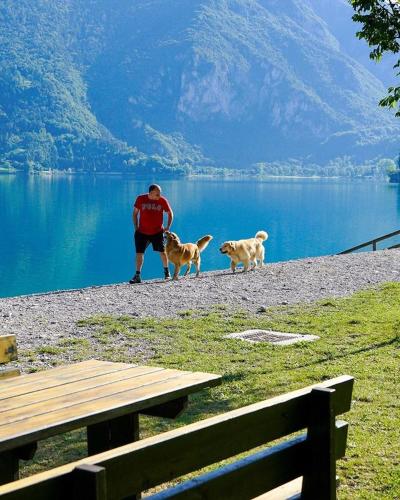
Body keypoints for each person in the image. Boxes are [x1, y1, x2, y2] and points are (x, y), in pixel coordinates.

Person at [129, 184, 173, 284]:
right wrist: (136, 228)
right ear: (151, 193)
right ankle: (137, 276)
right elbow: (135, 214)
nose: (159, 196)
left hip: (157, 232)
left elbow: (170, 213)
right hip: (142, 232)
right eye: (157, 194)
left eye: (160, 194)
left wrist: (167, 227)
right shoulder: (140, 199)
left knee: (162, 252)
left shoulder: (162, 201)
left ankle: (167, 273)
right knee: (139, 253)